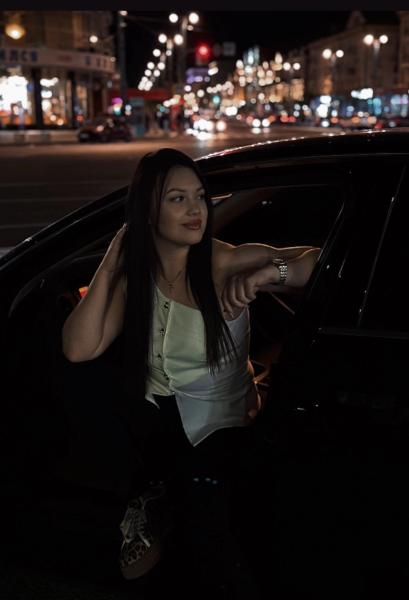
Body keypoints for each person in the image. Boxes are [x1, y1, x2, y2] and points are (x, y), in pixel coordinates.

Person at [61, 148, 320, 592]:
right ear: (147, 211)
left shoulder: (221, 261)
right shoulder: (136, 276)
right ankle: (155, 505)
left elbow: (317, 261)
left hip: (220, 430)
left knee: (214, 546)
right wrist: (112, 260)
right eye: (177, 198)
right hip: (158, 425)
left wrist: (269, 275)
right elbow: (78, 349)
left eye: (200, 196)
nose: (196, 209)